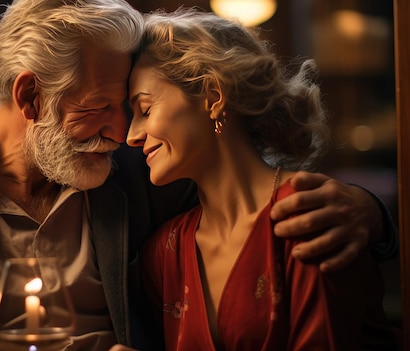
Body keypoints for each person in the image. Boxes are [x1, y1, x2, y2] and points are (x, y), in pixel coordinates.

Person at [0, 0, 398, 350]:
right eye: (102, 106)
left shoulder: (143, 174)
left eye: (133, 106)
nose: (122, 131)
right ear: (31, 96)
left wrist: (370, 213)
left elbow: (244, 183)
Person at [126, 8, 400, 351]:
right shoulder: (164, 255)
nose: (131, 136)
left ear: (212, 96)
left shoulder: (311, 218)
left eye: (145, 109)